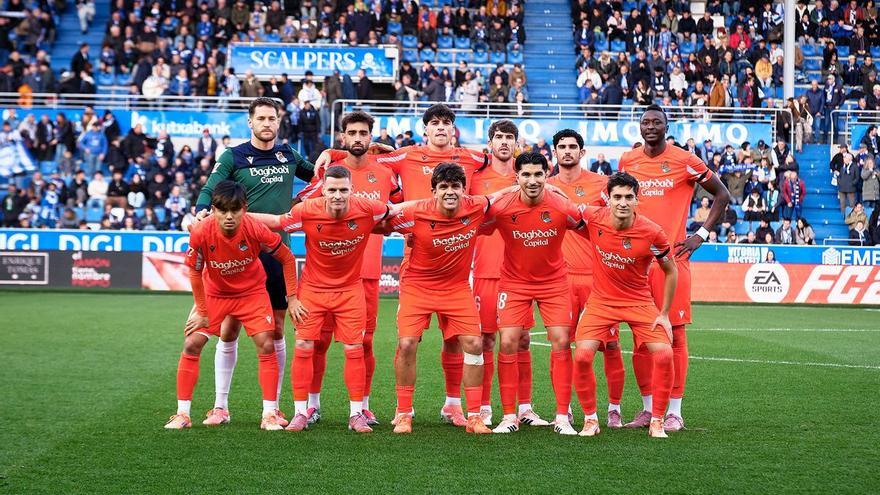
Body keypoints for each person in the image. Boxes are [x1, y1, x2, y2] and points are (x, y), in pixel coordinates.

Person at [193, 97, 335, 427]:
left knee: (276, 329)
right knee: (229, 329)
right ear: (250, 122)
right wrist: (200, 211)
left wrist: (304, 198)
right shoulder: (235, 156)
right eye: (261, 118)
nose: (267, 123)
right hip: (239, 252)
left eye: (272, 117)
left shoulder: (288, 154)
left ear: (279, 121)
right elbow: (210, 188)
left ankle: (272, 406)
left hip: (275, 251)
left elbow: (318, 177)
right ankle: (220, 406)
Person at [249, 165, 392, 432]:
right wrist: (239, 215)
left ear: (352, 189)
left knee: (354, 348)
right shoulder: (307, 211)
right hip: (313, 290)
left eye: (343, 190)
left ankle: (356, 414)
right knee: (304, 347)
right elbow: (278, 222)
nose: (338, 195)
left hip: (350, 291)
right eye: (333, 190)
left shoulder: (368, 207)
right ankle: (301, 412)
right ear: (323, 190)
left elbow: (396, 213)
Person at [618, 104, 731, 432]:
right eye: (645, 122)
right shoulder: (628, 160)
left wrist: (701, 234)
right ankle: (648, 409)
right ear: (639, 128)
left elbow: (722, 194)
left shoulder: (685, 160)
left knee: (675, 334)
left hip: (672, 259)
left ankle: (675, 412)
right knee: (641, 336)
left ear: (667, 127)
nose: (650, 126)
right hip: (635, 262)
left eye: (657, 122)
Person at [164, 181, 299, 430]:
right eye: (222, 210)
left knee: (266, 342)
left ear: (244, 209)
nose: (229, 216)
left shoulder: (255, 229)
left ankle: (269, 412)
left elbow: (287, 258)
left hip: (252, 292)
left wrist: (292, 298)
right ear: (213, 209)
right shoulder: (201, 232)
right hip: (215, 293)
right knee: (192, 343)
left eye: (235, 210)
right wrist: (202, 312)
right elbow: (194, 272)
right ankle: (183, 413)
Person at [295, 112, 402, 426]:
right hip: (326, 273)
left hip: (365, 273)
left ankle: (362, 406)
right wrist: (332, 155)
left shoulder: (385, 172)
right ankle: (311, 405)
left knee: (364, 342)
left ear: (371, 136)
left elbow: (395, 212)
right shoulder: (331, 174)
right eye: (351, 133)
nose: (358, 138)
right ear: (342, 138)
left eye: (364, 133)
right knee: (318, 341)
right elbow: (303, 204)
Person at [384, 163, 498, 435]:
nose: (450, 192)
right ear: (434, 191)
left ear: (464, 189)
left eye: (455, 187)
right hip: (417, 286)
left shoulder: (476, 207)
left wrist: (544, 186)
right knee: (407, 343)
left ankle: (473, 417)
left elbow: (503, 196)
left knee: (473, 343)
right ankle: (403, 413)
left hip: (456, 288)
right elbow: (380, 224)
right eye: (444, 187)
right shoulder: (414, 213)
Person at [483, 151, 584, 436]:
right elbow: (473, 224)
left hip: (554, 283)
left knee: (561, 341)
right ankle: (508, 416)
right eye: (526, 174)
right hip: (514, 283)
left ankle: (562, 416)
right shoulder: (502, 206)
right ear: (516, 177)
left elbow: (591, 228)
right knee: (509, 341)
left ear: (546, 175)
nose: (532, 180)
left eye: (538, 174)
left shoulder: (562, 205)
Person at [573, 172, 677, 439]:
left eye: (628, 197)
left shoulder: (652, 232)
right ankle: (590, 420)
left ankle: (657, 420)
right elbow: (565, 207)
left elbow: (670, 270)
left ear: (636, 200)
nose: (622, 202)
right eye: (617, 197)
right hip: (601, 301)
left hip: (638, 301)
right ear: (607, 199)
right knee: (583, 356)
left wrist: (664, 313)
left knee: (664, 354)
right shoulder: (593, 218)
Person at [547, 129, 627, 429]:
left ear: (583, 152)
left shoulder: (603, 185)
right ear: (555, 152)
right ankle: (563, 409)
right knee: (561, 343)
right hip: (559, 279)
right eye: (561, 147)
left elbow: (619, 221)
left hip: (598, 278)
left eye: (572, 147)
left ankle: (614, 408)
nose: (567, 151)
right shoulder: (546, 185)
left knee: (610, 345)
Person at [469, 120, 544, 427]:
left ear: (516, 144)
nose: (503, 142)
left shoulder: (526, 177)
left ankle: (524, 408)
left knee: (522, 339)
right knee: (486, 340)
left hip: (519, 273)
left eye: (508, 138)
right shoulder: (474, 177)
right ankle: (485, 407)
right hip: (485, 270)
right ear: (489, 143)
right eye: (498, 137)